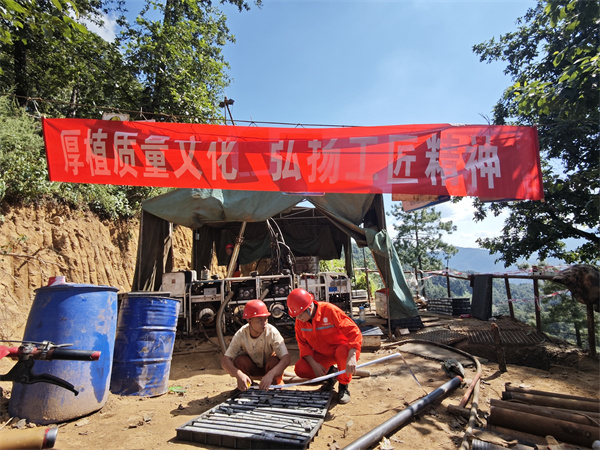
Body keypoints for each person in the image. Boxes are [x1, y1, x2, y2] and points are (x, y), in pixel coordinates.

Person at [287, 288, 362, 404]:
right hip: (323, 353)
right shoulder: (300, 322)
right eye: (295, 316)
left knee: (343, 353)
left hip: (342, 351)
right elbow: (303, 344)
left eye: (300, 315)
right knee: (301, 368)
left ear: (309, 308)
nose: (298, 318)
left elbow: (354, 331)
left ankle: (343, 386)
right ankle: (331, 375)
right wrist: (314, 364)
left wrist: (352, 356)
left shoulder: (330, 311)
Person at [221, 299, 290, 391]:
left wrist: (271, 374)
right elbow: (225, 361)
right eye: (259, 320)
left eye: (265, 319)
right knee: (240, 361)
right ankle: (247, 385)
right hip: (253, 368)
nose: (264, 323)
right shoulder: (241, 334)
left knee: (274, 360)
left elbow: (286, 358)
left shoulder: (272, 332)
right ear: (249, 321)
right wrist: (238, 374)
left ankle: (275, 384)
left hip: (269, 368)